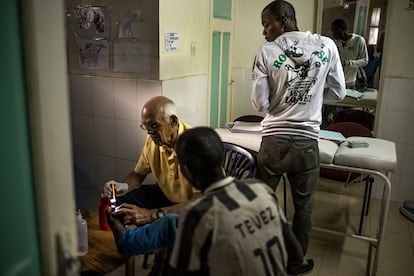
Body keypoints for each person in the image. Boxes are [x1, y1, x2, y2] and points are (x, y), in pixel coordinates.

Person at [251, 1, 346, 275]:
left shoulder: (267, 52)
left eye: (267, 24)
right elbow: (339, 93)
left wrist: (283, 99)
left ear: (283, 20)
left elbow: (260, 104)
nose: (264, 31)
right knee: (303, 210)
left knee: (265, 206)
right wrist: (312, 99)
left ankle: (263, 260)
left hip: (274, 143)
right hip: (306, 144)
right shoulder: (327, 46)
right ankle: (295, 263)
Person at [169, 126, 304, 276]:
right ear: (221, 157)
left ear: (186, 170)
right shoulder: (262, 190)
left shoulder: (198, 215)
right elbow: (296, 255)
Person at [103, 96, 201, 275]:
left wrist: (151, 214)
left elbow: (200, 200)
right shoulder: (154, 141)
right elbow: (138, 174)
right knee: (122, 203)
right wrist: (123, 185)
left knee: (164, 220)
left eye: (154, 125)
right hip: (167, 193)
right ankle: (140, 247)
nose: (149, 132)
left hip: (195, 205)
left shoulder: (194, 146)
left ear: (173, 121)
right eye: (145, 126)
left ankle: (162, 256)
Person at [331, 18, 368, 89]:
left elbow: (365, 61)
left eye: (333, 31)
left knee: (349, 100)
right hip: (337, 81)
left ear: (339, 30)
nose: (332, 34)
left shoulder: (358, 40)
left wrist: (348, 63)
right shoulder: (336, 43)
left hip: (350, 82)